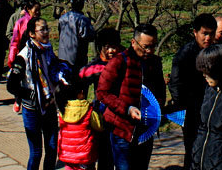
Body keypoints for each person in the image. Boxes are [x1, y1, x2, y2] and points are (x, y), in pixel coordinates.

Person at [97, 23, 166, 170]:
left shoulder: (155, 62)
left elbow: (160, 91)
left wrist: (157, 110)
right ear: (133, 42)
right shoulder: (119, 61)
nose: (149, 51)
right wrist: (127, 109)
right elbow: (102, 93)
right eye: (145, 46)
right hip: (122, 129)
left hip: (146, 129)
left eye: (153, 46)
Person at [7, 17, 70, 170]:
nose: (46, 32)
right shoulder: (24, 56)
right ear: (31, 34)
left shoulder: (47, 50)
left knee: (52, 149)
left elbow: (53, 69)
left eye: (47, 28)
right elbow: (11, 85)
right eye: (42, 30)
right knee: (36, 152)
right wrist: (28, 94)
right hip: (32, 110)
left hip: (49, 106)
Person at [169, 13, 217, 170]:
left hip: (212, 108)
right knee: (193, 150)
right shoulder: (186, 54)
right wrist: (183, 107)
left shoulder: (216, 51)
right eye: (204, 33)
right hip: (191, 110)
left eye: (211, 33)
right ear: (195, 32)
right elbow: (175, 83)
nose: (208, 38)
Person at [78, 28, 122, 170]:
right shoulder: (95, 68)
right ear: (100, 48)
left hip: (122, 113)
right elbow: (79, 83)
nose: (111, 51)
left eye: (114, 46)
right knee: (105, 154)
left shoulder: (124, 63)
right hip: (102, 115)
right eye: (107, 47)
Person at [57, 77, 107, 170]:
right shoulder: (88, 110)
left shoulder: (63, 109)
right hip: (85, 156)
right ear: (81, 93)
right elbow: (99, 127)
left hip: (67, 155)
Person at [59, 0, 96, 72]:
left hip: (63, 53)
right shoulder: (82, 19)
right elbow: (87, 36)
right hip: (77, 55)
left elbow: (60, 32)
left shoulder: (62, 18)